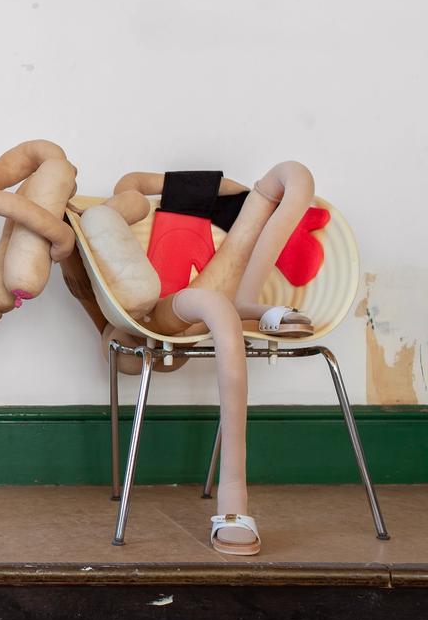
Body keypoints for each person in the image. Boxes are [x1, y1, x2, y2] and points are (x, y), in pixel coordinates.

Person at [63, 162, 316, 555]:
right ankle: (233, 501)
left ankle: (249, 303)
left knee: (295, 175)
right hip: (154, 315)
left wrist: (243, 197)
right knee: (216, 308)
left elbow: (169, 189)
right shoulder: (125, 205)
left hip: (200, 302)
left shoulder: (198, 216)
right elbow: (132, 192)